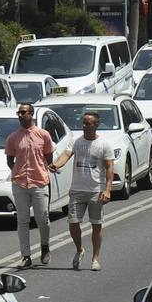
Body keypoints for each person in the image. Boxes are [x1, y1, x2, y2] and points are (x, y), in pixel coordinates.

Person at [49, 111, 115, 272]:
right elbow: (66, 154)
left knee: (96, 225)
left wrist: (107, 189)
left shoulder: (104, 145)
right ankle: (79, 250)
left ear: (96, 125)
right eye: (83, 123)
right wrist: (57, 164)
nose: (85, 126)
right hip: (77, 189)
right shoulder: (77, 141)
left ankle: (95, 259)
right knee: (73, 222)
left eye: (88, 123)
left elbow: (109, 168)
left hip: (95, 190)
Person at [5, 103, 55, 268]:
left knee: (43, 218)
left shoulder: (43, 135)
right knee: (23, 220)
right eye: (18, 112)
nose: (20, 115)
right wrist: (18, 172)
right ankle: (26, 256)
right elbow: (9, 160)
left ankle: (45, 246)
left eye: (23, 112)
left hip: (39, 182)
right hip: (20, 183)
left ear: (31, 114)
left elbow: (49, 158)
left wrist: (41, 170)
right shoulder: (13, 137)